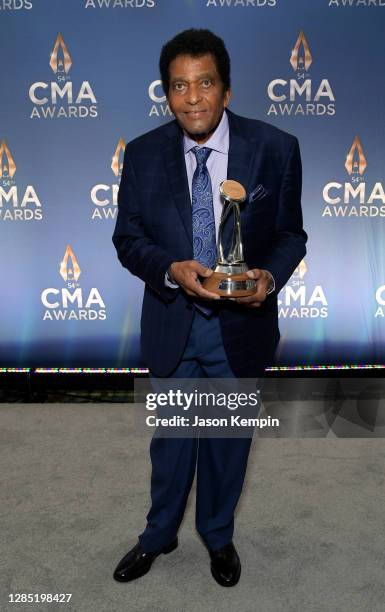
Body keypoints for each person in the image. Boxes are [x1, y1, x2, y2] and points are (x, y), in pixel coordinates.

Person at [112, 28, 307, 587]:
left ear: (226, 89)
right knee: (170, 447)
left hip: (239, 330)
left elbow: (291, 235)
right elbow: (128, 240)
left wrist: (268, 276)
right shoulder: (145, 153)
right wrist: (169, 269)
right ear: (166, 92)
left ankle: (217, 538)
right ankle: (159, 535)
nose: (193, 98)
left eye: (205, 83)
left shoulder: (275, 147)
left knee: (226, 447)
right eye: (179, 85)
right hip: (173, 323)